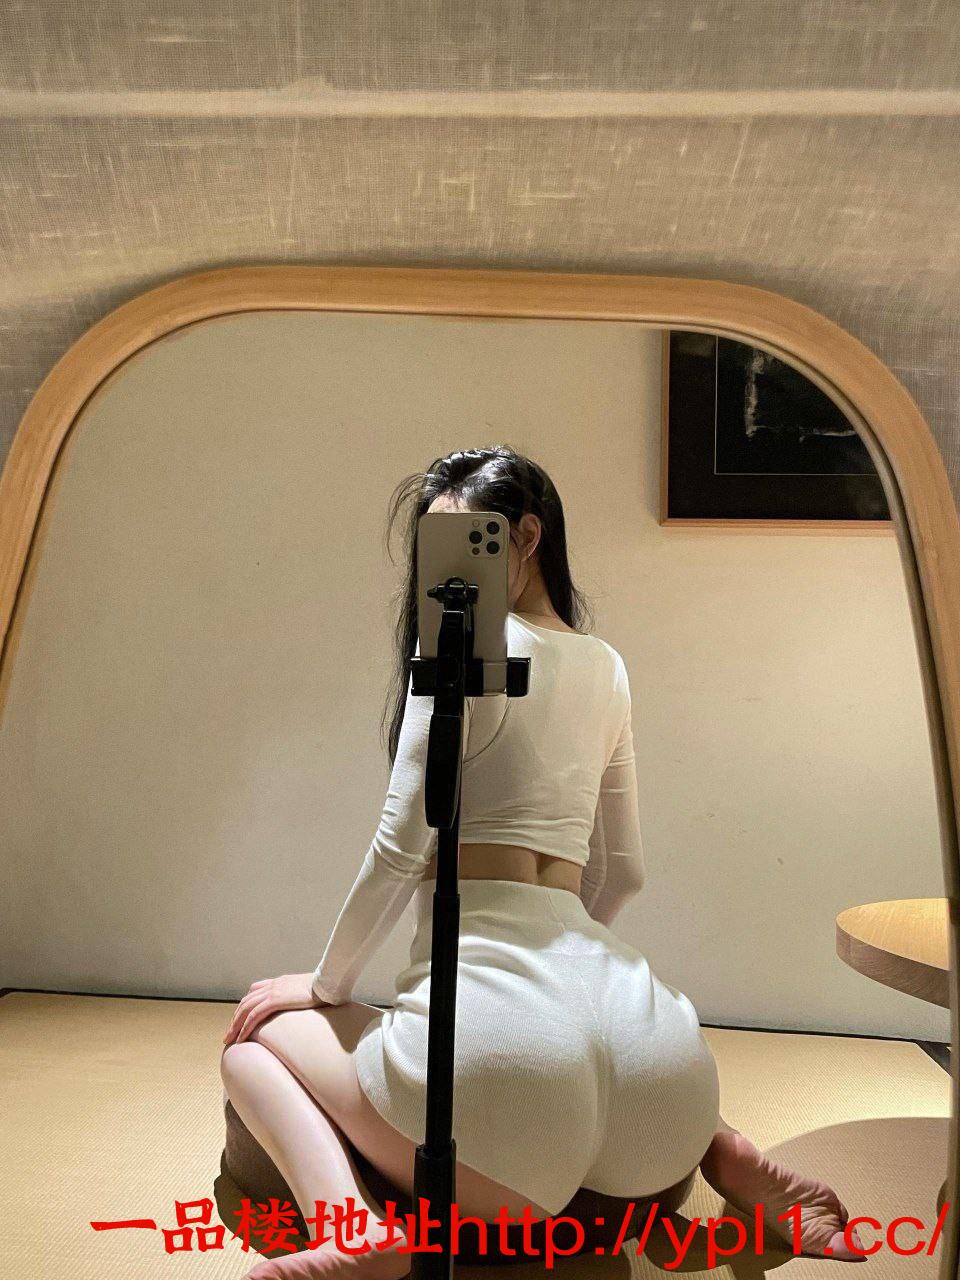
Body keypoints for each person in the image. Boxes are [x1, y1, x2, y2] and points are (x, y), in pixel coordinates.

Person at [220, 446, 866, 1278]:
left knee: (251, 1045)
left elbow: (398, 850)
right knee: (589, 1052)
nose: (448, 573)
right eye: (435, 550)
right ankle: (728, 1151)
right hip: (664, 1087)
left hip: (499, 1096)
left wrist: (323, 985)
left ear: (526, 537)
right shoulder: (607, 666)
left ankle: (353, 1230)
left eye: (465, 544)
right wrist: (556, 963)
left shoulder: (457, 650)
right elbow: (624, 871)